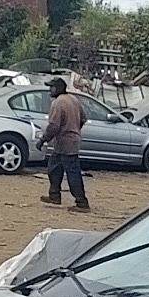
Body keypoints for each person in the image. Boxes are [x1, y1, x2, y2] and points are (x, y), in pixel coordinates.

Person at [37, 77, 88, 212]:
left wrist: (43, 140)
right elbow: (83, 118)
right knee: (54, 167)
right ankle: (54, 195)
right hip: (70, 141)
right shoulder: (73, 99)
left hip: (66, 142)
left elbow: (53, 126)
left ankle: (81, 202)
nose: (49, 90)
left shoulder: (58, 103)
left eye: (52, 87)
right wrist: (74, 128)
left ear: (58, 88)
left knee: (72, 172)